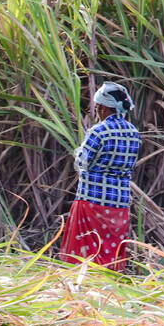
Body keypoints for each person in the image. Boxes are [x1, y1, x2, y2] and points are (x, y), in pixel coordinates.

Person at [61, 81, 142, 272]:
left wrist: (77, 152)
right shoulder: (134, 133)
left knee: (85, 252)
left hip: (92, 201)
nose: (97, 111)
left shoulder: (99, 131)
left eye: (97, 107)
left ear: (104, 108)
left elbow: (83, 162)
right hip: (120, 204)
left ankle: (83, 287)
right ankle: (110, 287)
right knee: (110, 251)